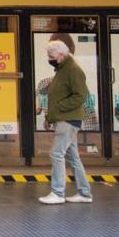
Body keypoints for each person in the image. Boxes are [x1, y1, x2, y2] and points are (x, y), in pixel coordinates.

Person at [39, 40, 93, 205]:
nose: (49, 59)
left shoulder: (73, 70)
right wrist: (50, 117)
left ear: (61, 55)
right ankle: (84, 193)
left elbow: (80, 96)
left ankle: (57, 193)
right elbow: (58, 95)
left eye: (51, 56)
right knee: (73, 158)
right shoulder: (62, 70)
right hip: (64, 118)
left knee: (56, 153)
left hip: (68, 119)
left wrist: (59, 108)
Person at [34, 33, 97, 131]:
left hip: (67, 125)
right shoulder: (44, 84)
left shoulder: (74, 74)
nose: (50, 57)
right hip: (52, 131)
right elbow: (37, 109)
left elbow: (90, 117)